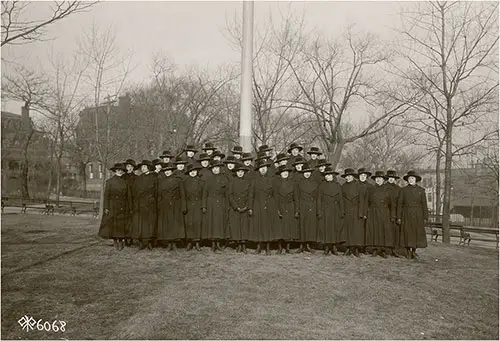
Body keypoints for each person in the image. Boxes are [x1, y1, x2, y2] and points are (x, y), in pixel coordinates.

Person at [98, 163, 132, 251]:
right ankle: (115, 241)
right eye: (118, 170)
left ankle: (121, 240)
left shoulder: (126, 182)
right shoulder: (109, 182)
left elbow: (129, 196)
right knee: (114, 225)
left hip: (123, 206)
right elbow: (106, 196)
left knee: (121, 224)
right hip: (113, 206)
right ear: (115, 171)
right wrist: (106, 207)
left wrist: (130, 207)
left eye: (121, 170)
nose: (120, 171)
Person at [397, 170, 428, 259]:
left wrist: (425, 217)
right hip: (406, 214)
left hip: (418, 214)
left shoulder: (421, 191)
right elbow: (400, 204)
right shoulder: (403, 190)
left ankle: (414, 251)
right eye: (409, 178)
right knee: (407, 232)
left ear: (416, 180)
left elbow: (424, 205)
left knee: (416, 233)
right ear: (407, 180)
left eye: (412, 178)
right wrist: (399, 217)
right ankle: (407, 251)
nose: (411, 180)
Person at [156, 162, 185, 251]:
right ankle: (169, 243)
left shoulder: (178, 180)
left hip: (176, 205)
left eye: (169, 170)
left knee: (175, 224)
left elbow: (182, 194)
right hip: (165, 205)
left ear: (172, 171)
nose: (167, 172)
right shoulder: (161, 181)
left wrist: (183, 206)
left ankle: (175, 243)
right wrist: (159, 205)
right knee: (167, 224)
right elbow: (159, 195)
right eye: (165, 171)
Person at [365, 171, 395, 258]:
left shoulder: (388, 190)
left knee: (383, 231)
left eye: (380, 178)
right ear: (375, 180)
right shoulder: (370, 189)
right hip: (373, 212)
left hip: (384, 212)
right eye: (377, 178)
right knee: (374, 230)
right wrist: (366, 212)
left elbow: (392, 204)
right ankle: (375, 249)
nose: (378, 180)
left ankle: (383, 250)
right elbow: (367, 202)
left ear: (384, 180)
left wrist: (393, 215)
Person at [248, 158, 275, 255]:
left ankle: (268, 247)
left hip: (268, 205)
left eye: (264, 168)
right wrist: (250, 207)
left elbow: (274, 195)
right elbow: (251, 195)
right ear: (258, 170)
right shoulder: (254, 181)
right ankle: (259, 246)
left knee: (267, 226)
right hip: (257, 205)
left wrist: (273, 207)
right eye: (261, 168)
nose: (263, 169)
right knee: (258, 226)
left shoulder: (272, 180)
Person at [201, 161, 229, 252]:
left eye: (217, 168)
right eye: (214, 168)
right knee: (212, 223)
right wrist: (204, 205)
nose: (216, 170)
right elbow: (204, 193)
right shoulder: (208, 179)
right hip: (211, 204)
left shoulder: (224, 179)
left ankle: (218, 243)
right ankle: (213, 244)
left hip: (221, 203)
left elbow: (227, 193)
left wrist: (226, 205)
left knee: (219, 223)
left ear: (220, 169)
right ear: (212, 170)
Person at [130, 160, 157, 250]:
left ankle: (149, 242)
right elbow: (134, 191)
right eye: (142, 167)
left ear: (149, 167)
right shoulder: (138, 178)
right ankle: (142, 242)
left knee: (149, 223)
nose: (143, 168)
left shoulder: (154, 177)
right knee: (141, 223)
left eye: (145, 167)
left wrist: (153, 199)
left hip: (150, 203)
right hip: (140, 204)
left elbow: (157, 191)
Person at [317, 166, 345, 255]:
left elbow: (340, 199)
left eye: (329, 175)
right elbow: (319, 200)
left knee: (335, 228)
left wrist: (342, 211)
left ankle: (334, 247)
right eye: (326, 175)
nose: (328, 177)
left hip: (335, 209)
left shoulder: (338, 186)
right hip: (325, 209)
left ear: (333, 176)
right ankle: (326, 247)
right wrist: (319, 211)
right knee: (326, 228)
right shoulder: (321, 186)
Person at [228, 162, 252, 253]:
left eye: (242, 171)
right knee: (236, 226)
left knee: (244, 226)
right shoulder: (232, 182)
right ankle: (238, 244)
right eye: (238, 172)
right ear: (236, 172)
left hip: (245, 206)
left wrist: (246, 206)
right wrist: (236, 207)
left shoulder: (247, 182)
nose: (240, 173)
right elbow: (230, 195)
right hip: (236, 207)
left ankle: (244, 244)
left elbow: (250, 195)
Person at [274, 164, 298, 254]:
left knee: (289, 227)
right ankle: (280, 247)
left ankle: (288, 247)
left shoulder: (293, 183)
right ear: (280, 174)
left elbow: (296, 198)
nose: (285, 174)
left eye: (286, 172)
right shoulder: (276, 184)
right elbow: (275, 197)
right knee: (280, 228)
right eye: (283, 172)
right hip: (280, 206)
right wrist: (277, 209)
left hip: (290, 206)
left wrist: (296, 209)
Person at [295, 162, 318, 253]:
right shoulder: (298, 183)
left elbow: (316, 196)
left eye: (308, 172)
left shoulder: (315, 183)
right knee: (302, 225)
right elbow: (296, 197)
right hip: (302, 205)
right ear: (303, 173)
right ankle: (301, 245)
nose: (307, 173)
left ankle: (308, 245)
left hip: (311, 206)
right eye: (305, 172)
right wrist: (297, 208)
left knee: (310, 226)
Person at [341, 168, 364, 257]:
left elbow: (361, 200)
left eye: (350, 176)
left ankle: (356, 249)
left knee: (356, 231)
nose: (348, 178)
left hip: (356, 211)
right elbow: (341, 200)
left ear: (353, 177)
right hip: (347, 210)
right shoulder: (343, 186)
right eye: (346, 176)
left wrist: (361, 213)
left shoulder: (358, 186)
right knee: (348, 230)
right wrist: (342, 211)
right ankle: (348, 248)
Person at [182, 163, 205, 251]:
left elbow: (204, 195)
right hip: (189, 206)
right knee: (189, 224)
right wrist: (184, 207)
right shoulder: (185, 182)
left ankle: (197, 242)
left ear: (197, 172)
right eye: (191, 171)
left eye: (194, 171)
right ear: (188, 172)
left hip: (198, 205)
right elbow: (183, 196)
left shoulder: (201, 182)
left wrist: (203, 206)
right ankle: (190, 242)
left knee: (197, 223)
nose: (193, 173)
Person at [384, 170, 402, 257]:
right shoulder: (383, 188)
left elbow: (400, 202)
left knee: (395, 231)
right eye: (389, 178)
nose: (391, 180)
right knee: (386, 231)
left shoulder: (398, 189)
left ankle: (395, 249)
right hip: (385, 211)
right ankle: (386, 249)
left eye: (393, 178)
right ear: (387, 178)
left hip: (395, 211)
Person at [357, 168, 372, 253]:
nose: (362, 177)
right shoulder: (356, 185)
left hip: (367, 210)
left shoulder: (370, 186)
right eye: (361, 175)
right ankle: (358, 246)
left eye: (364, 176)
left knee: (366, 229)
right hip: (357, 210)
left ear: (366, 177)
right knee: (358, 229)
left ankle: (365, 247)